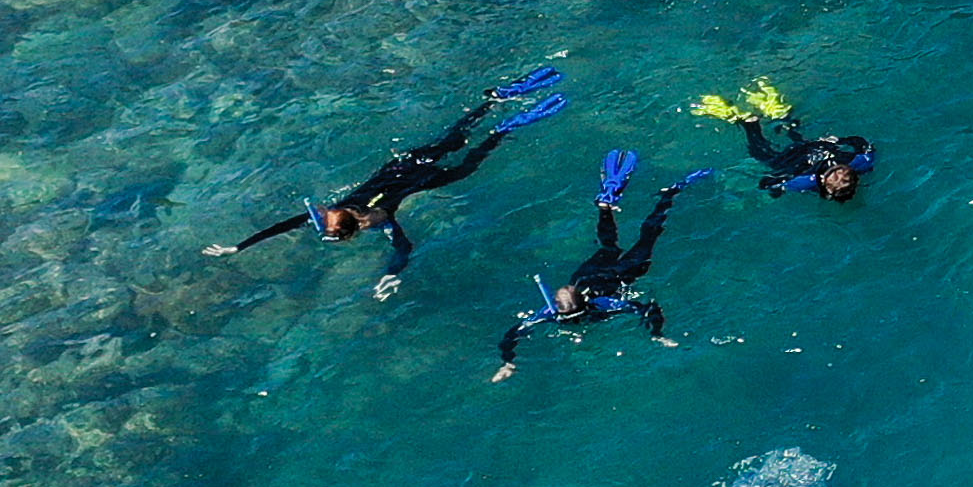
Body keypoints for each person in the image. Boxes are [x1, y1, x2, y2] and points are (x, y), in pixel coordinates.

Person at [208, 67, 567, 282]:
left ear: (353, 230)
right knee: (453, 137)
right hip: (402, 164)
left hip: (419, 179)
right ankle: (494, 99)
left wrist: (392, 276)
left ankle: (505, 128)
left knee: (467, 166)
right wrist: (239, 246)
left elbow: (403, 247)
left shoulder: (379, 221)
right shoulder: (337, 211)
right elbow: (284, 225)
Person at [492, 153, 702, 379]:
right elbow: (513, 334)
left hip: (618, 275)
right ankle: (605, 206)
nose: (575, 322)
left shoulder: (604, 303)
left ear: (588, 305)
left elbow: (648, 307)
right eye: (570, 320)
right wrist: (508, 363)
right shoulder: (551, 313)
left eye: (577, 317)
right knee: (609, 247)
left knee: (647, 238)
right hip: (588, 274)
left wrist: (656, 334)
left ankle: (668, 195)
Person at [691, 76, 876, 201]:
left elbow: (862, 143)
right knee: (761, 153)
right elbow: (768, 184)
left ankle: (779, 112)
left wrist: (838, 140)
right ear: (827, 190)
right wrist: (774, 194)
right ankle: (747, 122)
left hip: (817, 146)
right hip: (793, 159)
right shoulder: (807, 181)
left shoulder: (861, 162)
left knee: (793, 132)